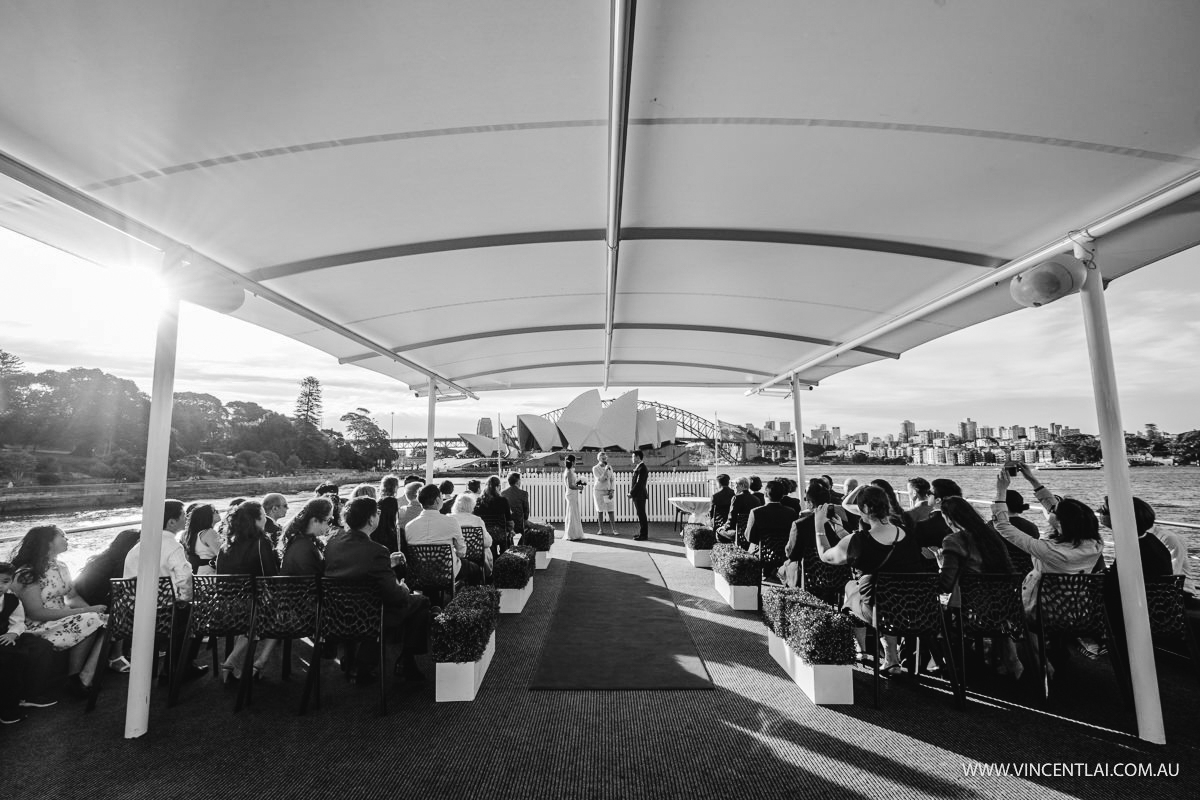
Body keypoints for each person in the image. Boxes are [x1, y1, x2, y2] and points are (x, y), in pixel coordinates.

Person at [814, 485, 924, 676]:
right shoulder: (908, 534)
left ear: (864, 510)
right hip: (911, 608)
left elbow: (826, 556)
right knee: (884, 598)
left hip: (877, 610)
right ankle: (891, 659)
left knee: (851, 587)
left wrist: (818, 527)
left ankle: (861, 649)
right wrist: (842, 532)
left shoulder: (859, 541)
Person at [324, 496, 432, 683]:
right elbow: (394, 596)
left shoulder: (332, 545)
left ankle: (363, 662)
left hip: (337, 615)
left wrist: (386, 564)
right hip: (371, 615)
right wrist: (404, 588)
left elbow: (352, 570)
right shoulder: (376, 551)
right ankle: (406, 661)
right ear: (371, 519)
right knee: (421, 603)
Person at [11, 526, 108, 698]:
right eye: (62, 536)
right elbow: (36, 613)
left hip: (62, 616)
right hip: (39, 625)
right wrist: (87, 611)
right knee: (93, 619)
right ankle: (74, 677)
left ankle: (85, 675)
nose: (67, 540)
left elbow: (72, 596)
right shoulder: (28, 572)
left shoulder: (61, 566)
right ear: (48, 542)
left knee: (106, 619)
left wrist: (93, 611)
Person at [937, 497, 1023, 678]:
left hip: (971, 614)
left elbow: (945, 584)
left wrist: (940, 565)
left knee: (931, 612)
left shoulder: (954, 541)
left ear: (949, 519)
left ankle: (944, 664)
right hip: (1004, 609)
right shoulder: (992, 536)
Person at [215, 500, 279, 682]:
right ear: (257, 519)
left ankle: (233, 660)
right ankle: (260, 662)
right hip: (251, 608)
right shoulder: (261, 541)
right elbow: (271, 576)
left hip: (226, 607)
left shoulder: (226, 544)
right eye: (263, 515)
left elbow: (220, 580)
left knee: (258, 613)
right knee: (281, 612)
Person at [1, 561, 58, 722]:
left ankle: (31, 694)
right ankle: (8, 707)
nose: (0, 586)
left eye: (5, 582)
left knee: (42, 646)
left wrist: (13, 634)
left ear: (11, 582)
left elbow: (18, 622)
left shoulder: (12, 600)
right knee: (11, 658)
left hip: (7, 636)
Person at [406, 484, 482, 586]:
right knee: (475, 568)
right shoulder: (450, 521)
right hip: (447, 572)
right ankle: (470, 599)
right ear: (437, 500)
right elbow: (462, 552)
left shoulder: (409, 526)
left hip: (420, 575)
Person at [744, 479, 800, 579]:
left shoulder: (756, 512)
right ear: (782, 495)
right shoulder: (791, 512)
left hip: (763, 552)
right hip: (785, 551)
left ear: (765, 494)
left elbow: (749, 537)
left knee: (752, 547)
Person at [279, 497, 333, 576]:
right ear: (315, 520)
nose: (329, 526)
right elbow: (310, 582)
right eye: (329, 520)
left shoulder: (300, 539)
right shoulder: (303, 548)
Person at [449, 494, 494, 578]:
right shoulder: (477, 520)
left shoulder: (448, 519)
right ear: (471, 506)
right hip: (476, 555)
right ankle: (487, 576)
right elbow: (488, 542)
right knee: (486, 549)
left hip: (455, 555)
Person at [502, 472, 554, 544]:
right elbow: (526, 511)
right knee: (528, 528)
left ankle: (511, 544)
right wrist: (525, 519)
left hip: (507, 523)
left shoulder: (503, 493)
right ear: (518, 481)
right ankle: (521, 545)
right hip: (519, 523)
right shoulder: (523, 493)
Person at [475, 475, 515, 556]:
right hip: (500, 533)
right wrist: (511, 530)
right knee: (508, 538)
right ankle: (505, 558)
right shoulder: (503, 500)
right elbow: (509, 520)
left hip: (484, 534)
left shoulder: (479, 501)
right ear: (498, 487)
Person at [179, 504, 222, 576]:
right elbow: (222, 555)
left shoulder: (192, 534)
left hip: (198, 575)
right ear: (207, 516)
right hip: (209, 576)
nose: (218, 512)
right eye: (215, 511)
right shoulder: (210, 533)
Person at [722, 477, 763, 546]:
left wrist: (724, 527)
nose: (735, 487)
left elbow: (731, 518)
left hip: (738, 531)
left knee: (719, 531)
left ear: (742, 486)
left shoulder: (736, 498)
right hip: (751, 532)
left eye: (736, 484)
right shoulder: (756, 499)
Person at [374, 475, 402, 555]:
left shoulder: (379, 501)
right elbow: (393, 521)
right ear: (395, 487)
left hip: (378, 534)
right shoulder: (392, 501)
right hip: (388, 535)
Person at [591, 452, 618, 535]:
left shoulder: (610, 467)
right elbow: (600, 479)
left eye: (605, 458)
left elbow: (612, 479)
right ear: (598, 459)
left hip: (608, 491)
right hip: (598, 491)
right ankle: (601, 530)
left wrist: (612, 490)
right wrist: (605, 470)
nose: (604, 459)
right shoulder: (595, 468)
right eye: (602, 458)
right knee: (600, 511)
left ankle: (614, 530)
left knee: (610, 510)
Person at [562, 454, 586, 541]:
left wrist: (579, 482)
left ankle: (575, 533)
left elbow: (573, 483)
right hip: (571, 494)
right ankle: (571, 534)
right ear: (572, 462)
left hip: (573, 494)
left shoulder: (569, 471)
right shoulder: (568, 472)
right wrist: (578, 487)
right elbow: (570, 486)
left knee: (574, 513)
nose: (575, 462)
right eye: (574, 461)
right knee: (572, 513)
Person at [629, 450, 649, 541]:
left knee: (641, 514)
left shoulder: (642, 468)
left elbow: (639, 483)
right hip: (638, 495)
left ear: (638, 457)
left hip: (640, 495)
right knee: (640, 514)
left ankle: (644, 535)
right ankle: (642, 533)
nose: (632, 458)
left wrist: (631, 493)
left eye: (633, 456)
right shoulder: (639, 467)